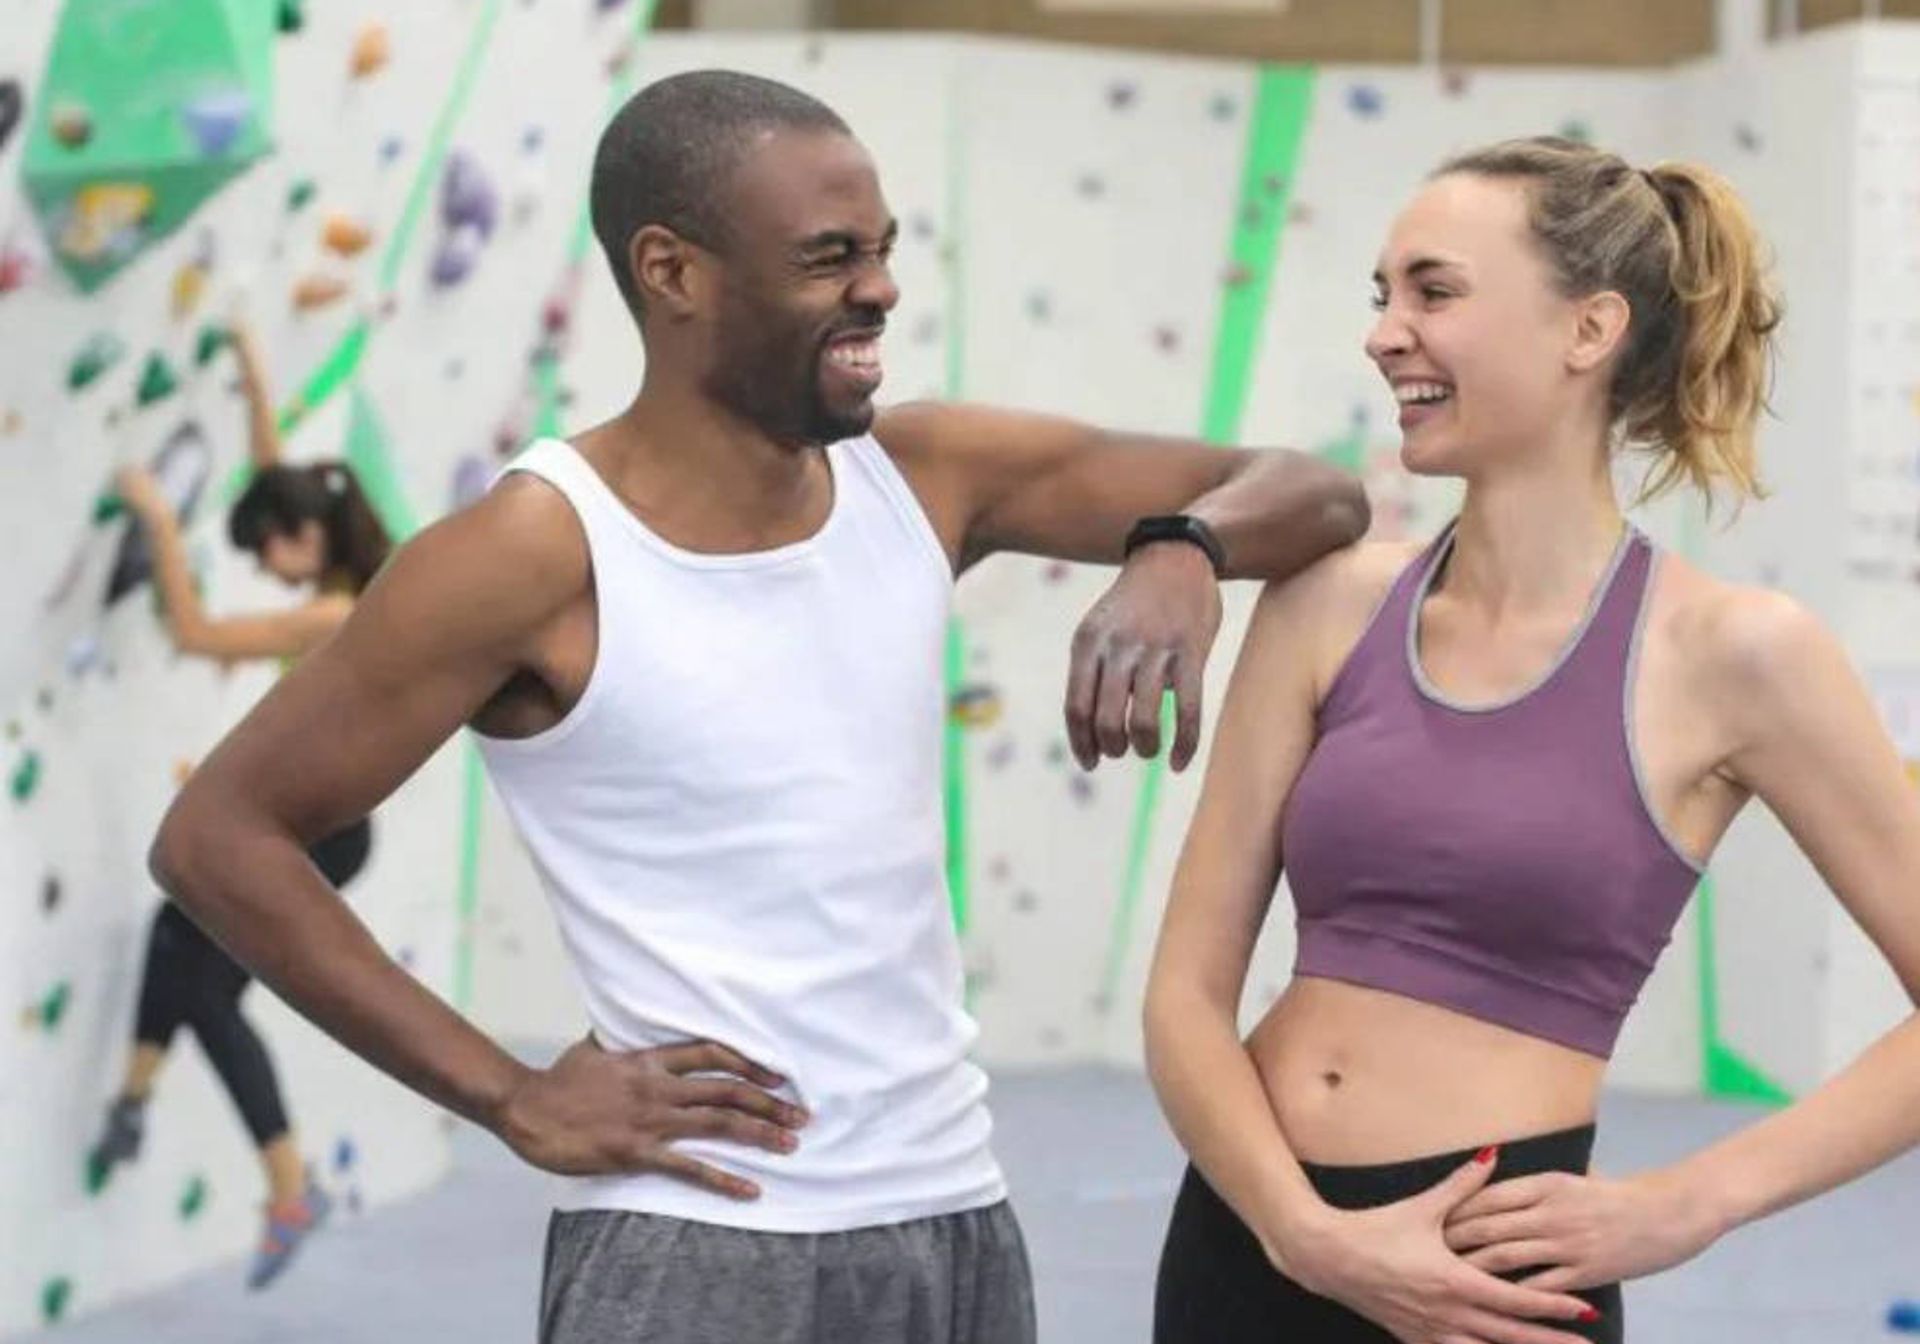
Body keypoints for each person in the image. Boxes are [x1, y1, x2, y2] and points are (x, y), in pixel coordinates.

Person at [142, 69, 1365, 1342]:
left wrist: (1179, 549)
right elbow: (218, 838)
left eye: (883, 250)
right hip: (702, 1245)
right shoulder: (532, 553)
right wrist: (508, 1096)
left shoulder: (927, 475)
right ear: (673, 272)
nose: (881, 287)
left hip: (954, 1215)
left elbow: (1308, 490)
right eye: (830, 256)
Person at [1145, 134, 1920, 1344]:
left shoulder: (1738, 653)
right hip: (1250, 1247)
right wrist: (1306, 1238)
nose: (1385, 331)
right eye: (1382, 295)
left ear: (1588, 330)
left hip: (1491, 1286)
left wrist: (1691, 1201)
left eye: (1434, 291)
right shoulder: (1324, 605)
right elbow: (1186, 994)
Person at [89, 313, 393, 1291]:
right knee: (175, 933)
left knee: (206, 985)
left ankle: (288, 1185)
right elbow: (275, 472)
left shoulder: (332, 612)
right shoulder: (344, 560)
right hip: (310, 826)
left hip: (314, 834)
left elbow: (199, 632)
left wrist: (158, 516)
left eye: (267, 549)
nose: (265, 563)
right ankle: (135, 1101)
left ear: (304, 539)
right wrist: (247, 355)